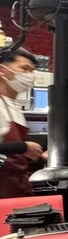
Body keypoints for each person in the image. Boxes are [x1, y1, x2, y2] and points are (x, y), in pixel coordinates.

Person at [0, 48, 45, 197]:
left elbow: (16, 152)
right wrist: (23, 147)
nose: (29, 76)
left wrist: (40, 155)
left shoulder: (13, 106)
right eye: (24, 68)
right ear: (2, 70)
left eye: (32, 71)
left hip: (16, 187)